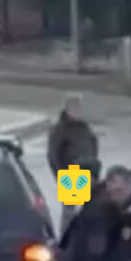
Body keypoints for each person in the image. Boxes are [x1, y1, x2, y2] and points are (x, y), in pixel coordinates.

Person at [47, 95, 100, 235]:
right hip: (70, 173)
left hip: (88, 172)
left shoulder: (84, 127)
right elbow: (53, 154)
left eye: (79, 108)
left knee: (91, 208)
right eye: (74, 108)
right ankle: (66, 238)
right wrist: (60, 175)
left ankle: (85, 237)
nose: (77, 111)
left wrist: (94, 166)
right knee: (69, 212)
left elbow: (93, 143)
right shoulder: (60, 128)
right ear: (67, 109)